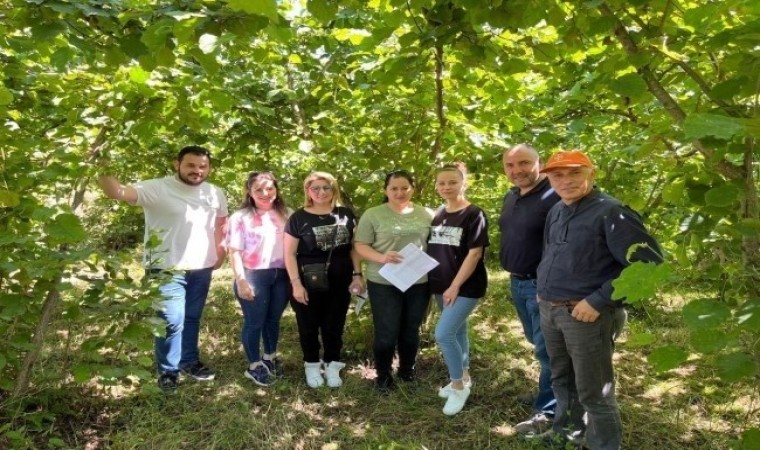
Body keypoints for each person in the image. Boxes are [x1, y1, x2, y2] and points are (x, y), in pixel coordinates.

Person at [536, 150, 663, 450]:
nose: (565, 181)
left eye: (575, 173)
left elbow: (650, 265)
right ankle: (566, 434)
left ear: (592, 174)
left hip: (586, 315)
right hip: (551, 310)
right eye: (557, 175)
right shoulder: (556, 209)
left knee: (594, 390)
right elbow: (551, 252)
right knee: (562, 379)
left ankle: (603, 445)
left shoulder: (612, 212)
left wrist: (599, 300)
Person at [97, 145, 228, 393]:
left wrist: (219, 252)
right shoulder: (156, 188)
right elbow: (116, 192)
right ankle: (168, 371)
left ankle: (189, 361)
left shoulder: (214, 193)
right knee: (170, 319)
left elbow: (221, 224)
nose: (197, 171)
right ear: (176, 164)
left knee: (191, 317)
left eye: (202, 166)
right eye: (190, 165)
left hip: (201, 267)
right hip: (165, 269)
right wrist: (101, 162)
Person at [499, 144, 560, 433]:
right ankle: (546, 393)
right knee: (537, 342)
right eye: (510, 166)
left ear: (541, 163)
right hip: (517, 281)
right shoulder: (511, 197)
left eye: (524, 163)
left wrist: (548, 283)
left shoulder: (555, 194)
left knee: (549, 350)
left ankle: (547, 411)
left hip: (543, 286)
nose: (517, 171)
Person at [354, 170, 434, 391]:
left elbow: (436, 244)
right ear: (385, 190)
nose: (400, 192)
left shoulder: (427, 214)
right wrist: (381, 257)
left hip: (418, 281)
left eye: (404, 188)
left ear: (413, 189)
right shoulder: (373, 214)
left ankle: (407, 371)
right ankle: (383, 375)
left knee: (410, 330)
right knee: (387, 332)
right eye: (394, 188)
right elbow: (360, 245)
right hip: (383, 281)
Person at [284, 172, 364, 389]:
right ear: (308, 191)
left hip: (340, 280)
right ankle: (311, 364)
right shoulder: (298, 218)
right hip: (308, 281)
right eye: (315, 188)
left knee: (334, 324)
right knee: (308, 325)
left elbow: (354, 248)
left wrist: (358, 274)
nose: (321, 192)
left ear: (334, 189)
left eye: (326, 187)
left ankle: (332, 364)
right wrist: (296, 284)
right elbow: (289, 254)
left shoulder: (345, 214)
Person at [426, 164, 489, 416]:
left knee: (443, 334)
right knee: (458, 331)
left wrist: (455, 286)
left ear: (464, 183)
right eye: (441, 183)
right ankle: (464, 376)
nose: (446, 187)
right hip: (440, 284)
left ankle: (457, 386)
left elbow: (474, 254)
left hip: (465, 286)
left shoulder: (474, 214)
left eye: (452, 182)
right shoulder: (439, 213)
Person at [226, 171, 291, 387]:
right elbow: (234, 252)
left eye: (270, 188)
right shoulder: (240, 217)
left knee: (273, 320)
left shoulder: (287, 214)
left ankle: (269, 358)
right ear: (249, 192)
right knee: (255, 322)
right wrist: (242, 281)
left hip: (282, 276)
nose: (265, 193)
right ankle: (254, 366)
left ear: (276, 189)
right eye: (259, 189)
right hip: (253, 275)